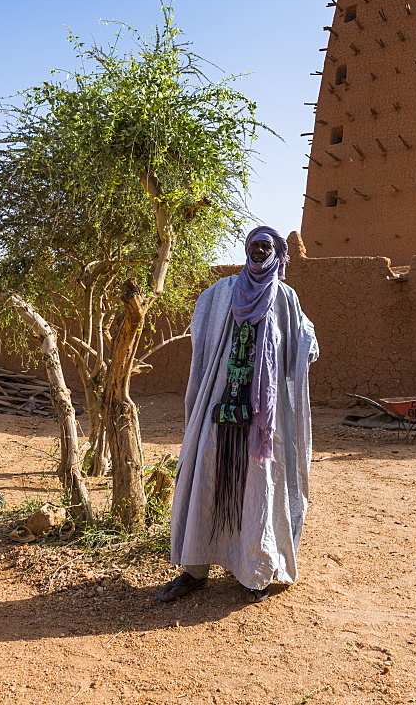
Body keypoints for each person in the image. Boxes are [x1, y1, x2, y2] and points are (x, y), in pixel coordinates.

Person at [157, 226, 318, 604]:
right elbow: (201, 326)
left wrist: (299, 350)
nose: (260, 252)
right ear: (247, 250)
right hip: (218, 404)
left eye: (267, 247)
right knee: (206, 477)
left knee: (259, 485)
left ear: (278, 252)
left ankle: (254, 572)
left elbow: (304, 340)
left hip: (263, 416)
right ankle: (195, 569)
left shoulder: (284, 298)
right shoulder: (222, 292)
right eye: (254, 246)